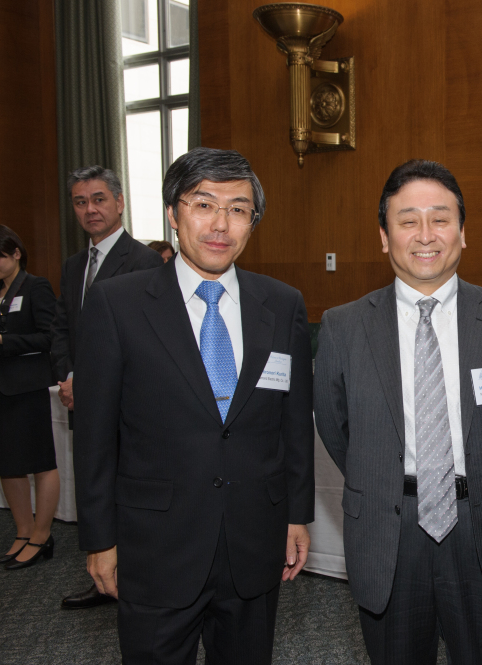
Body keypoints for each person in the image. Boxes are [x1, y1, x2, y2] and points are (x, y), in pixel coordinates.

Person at [73, 147, 314, 665]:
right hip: (155, 545)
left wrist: (297, 515)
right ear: (172, 213)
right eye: (203, 204)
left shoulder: (283, 303)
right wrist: (99, 539)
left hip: (253, 539)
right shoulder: (117, 305)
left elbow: (293, 424)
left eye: (238, 208)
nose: (220, 223)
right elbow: (93, 436)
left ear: (253, 221)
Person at [315, 160, 482, 665]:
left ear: (462, 233)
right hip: (387, 531)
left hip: (479, 525)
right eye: (407, 220)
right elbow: (335, 427)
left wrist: (479, 473)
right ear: (383, 235)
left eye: (440, 218)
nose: (425, 234)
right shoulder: (343, 327)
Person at [53, 166, 163, 609]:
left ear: (120, 202)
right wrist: (68, 374)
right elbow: (63, 328)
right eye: (81, 202)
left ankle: (134, 578)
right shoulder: (73, 265)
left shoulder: (143, 262)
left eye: (99, 199)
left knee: (128, 490)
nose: (90, 209)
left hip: (126, 405)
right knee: (95, 482)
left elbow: (147, 344)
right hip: (81, 397)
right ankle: (104, 569)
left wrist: (91, 382)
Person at [0, 225, 60, 570]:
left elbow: (49, 337)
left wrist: (0, 341)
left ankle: (42, 535)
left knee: (39, 462)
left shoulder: (35, 286)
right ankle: (23, 532)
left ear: (15, 253)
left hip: (26, 388)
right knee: (6, 465)